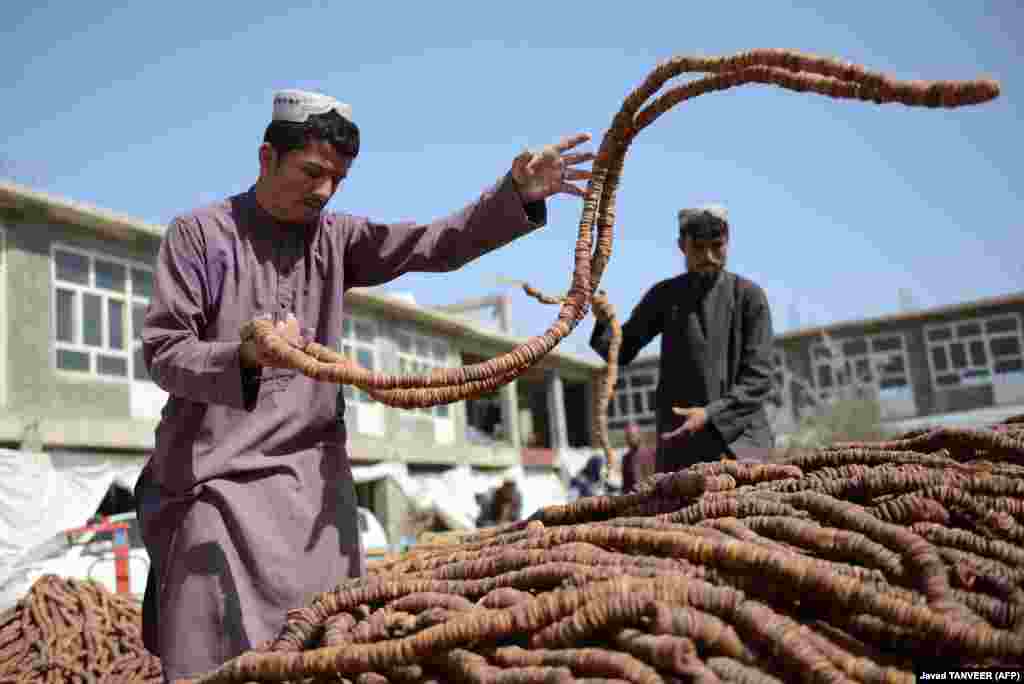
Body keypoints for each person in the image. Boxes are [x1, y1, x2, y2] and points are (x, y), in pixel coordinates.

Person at [134, 89, 594, 681]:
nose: (325, 190)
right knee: (210, 655)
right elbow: (166, 352)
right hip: (213, 481)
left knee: (327, 653)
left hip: (312, 491)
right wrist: (243, 354)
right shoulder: (200, 235)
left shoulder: (335, 238)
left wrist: (516, 196)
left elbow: (436, 244)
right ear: (266, 157)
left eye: (339, 179)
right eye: (312, 172)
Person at [589, 204, 775, 476]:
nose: (709, 256)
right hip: (680, 452)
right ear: (681, 246)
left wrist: (710, 414)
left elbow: (758, 380)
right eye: (699, 248)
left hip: (740, 448)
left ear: (728, 242)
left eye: (717, 246)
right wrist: (603, 319)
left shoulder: (749, 297)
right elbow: (621, 350)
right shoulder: (665, 296)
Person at [619, 423, 656, 493]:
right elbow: (625, 486)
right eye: (627, 437)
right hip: (634, 499)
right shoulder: (626, 459)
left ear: (639, 435)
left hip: (652, 495)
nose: (630, 440)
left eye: (632, 436)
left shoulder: (652, 453)